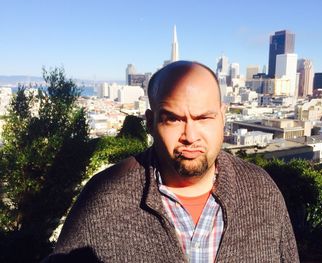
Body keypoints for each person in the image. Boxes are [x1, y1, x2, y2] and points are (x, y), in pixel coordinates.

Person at [43, 61, 299, 262]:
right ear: (150, 123)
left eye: (204, 118)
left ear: (223, 117)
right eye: (173, 119)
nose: (190, 136)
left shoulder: (260, 191)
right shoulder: (105, 199)